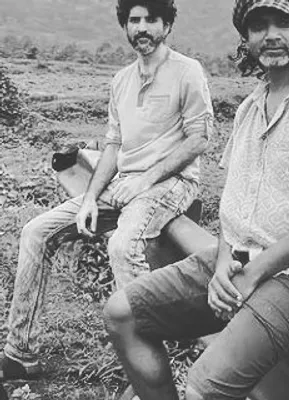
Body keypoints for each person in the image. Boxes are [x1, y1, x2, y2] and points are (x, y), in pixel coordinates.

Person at [104, 0, 289, 399]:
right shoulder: (248, 110)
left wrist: (253, 272)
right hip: (243, 255)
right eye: (259, 26)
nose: (271, 35)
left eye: (283, 22)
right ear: (246, 38)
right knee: (121, 315)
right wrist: (225, 261)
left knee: (202, 387)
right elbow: (235, 203)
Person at [0, 0, 213, 381]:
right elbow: (113, 145)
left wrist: (146, 180)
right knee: (36, 232)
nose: (142, 27)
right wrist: (88, 199)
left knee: (122, 245)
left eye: (151, 19)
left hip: (173, 183)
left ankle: (149, 369)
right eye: (134, 20)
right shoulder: (121, 80)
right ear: (125, 26)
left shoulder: (187, 71)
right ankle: (20, 352)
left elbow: (199, 138)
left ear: (167, 25)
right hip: (122, 184)